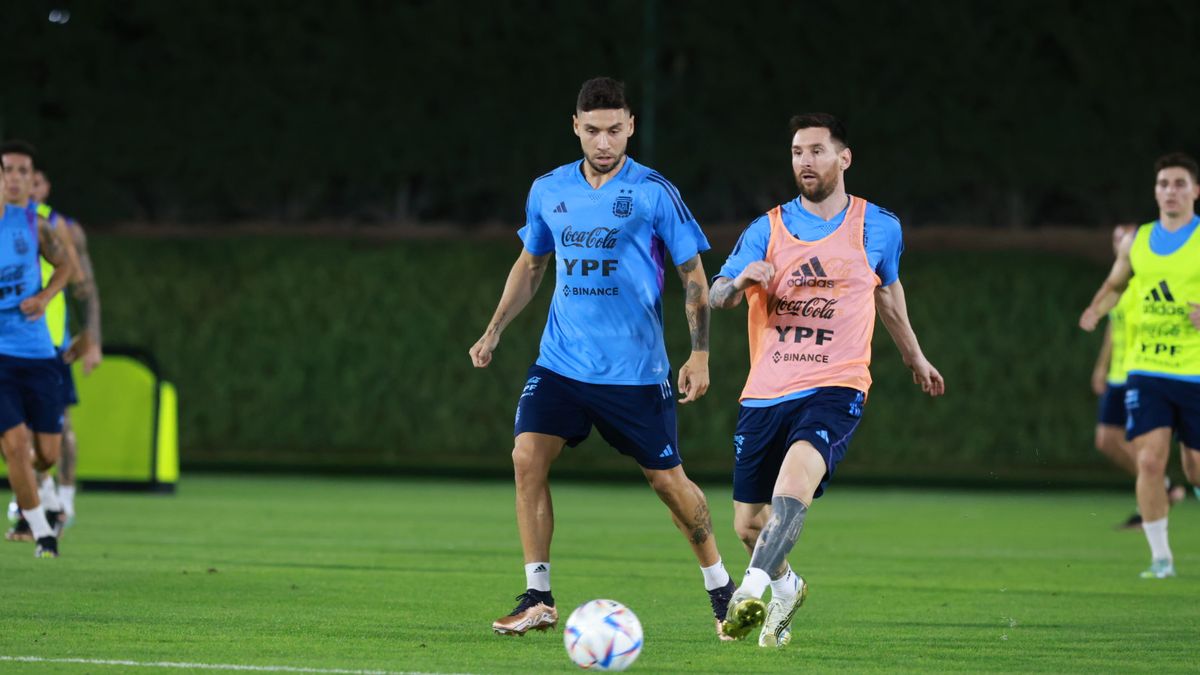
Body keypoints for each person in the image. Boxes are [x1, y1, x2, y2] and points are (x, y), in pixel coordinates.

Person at [469, 77, 735, 639]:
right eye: (593, 130)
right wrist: (494, 330)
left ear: (631, 126)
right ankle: (538, 595)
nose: (604, 141)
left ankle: (721, 591)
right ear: (575, 127)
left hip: (634, 374)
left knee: (668, 483)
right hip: (560, 364)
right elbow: (532, 264)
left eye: (615, 130)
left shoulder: (654, 192)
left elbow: (693, 276)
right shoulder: (548, 190)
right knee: (525, 459)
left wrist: (701, 354)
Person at [709, 113, 944, 645]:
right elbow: (716, 294)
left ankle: (748, 594)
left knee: (793, 488)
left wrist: (914, 357)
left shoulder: (878, 226)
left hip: (836, 386)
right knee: (748, 524)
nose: (805, 161)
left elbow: (887, 292)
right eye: (796, 152)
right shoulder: (765, 229)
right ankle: (787, 586)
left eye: (816, 150)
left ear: (844, 157)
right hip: (766, 391)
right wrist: (740, 278)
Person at [1079, 152, 1200, 579]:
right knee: (1149, 461)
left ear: (1195, 191)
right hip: (1146, 371)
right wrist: (1097, 308)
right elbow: (1116, 282)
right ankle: (1162, 559)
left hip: (1195, 372)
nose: (1171, 190)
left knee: (1195, 466)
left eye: (1180, 183)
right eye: (1164, 183)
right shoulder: (1139, 240)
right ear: (1156, 191)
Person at [6, 169, 102, 537]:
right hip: (10, 344)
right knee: (17, 433)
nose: (23, 183)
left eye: (30, 176)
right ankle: (39, 504)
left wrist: (91, 338)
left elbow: (83, 285)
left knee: (57, 428)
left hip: (51, 344)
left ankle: (62, 500)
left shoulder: (53, 226)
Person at [0, 140, 79, 557]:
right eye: (8, 170)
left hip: (37, 354)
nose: (15, 178)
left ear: (32, 180)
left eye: (23, 171)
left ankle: (33, 491)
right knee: (14, 444)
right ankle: (41, 532)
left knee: (45, 453)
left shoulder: (34, 225)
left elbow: (66, 265)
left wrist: (45, 297)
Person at [1089, 224, 1184, 529]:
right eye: (1116, 238)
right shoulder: (1119, 286)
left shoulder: (1145, 282)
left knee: (1146, 450)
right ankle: (1164, 488)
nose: (1119, 243)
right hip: (1118, 374)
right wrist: (1101, 366)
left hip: (1139, 372)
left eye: (1123, 238)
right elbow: (1112, 330)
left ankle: (1153, 506)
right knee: (1106, 440)